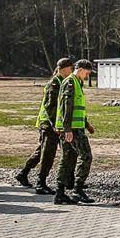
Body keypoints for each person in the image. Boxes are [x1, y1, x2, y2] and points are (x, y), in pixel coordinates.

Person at [16, 58, 73, 193]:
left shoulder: (62, 81)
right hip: (49, 124)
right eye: (70, 68)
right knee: (47, 153)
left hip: (55, 124)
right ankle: (40, 183)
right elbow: (50, 106)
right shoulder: (54, 83)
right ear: (64, 68)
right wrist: (54, 124)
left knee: (43, 152)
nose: (71, 71)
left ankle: (23, 174)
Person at [53, 60, 97, 205]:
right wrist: (67, 129)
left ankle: (60, 193)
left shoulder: (76, 82)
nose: (87, 76)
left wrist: (87, 124)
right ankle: (77, 190)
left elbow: (77, 107)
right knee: (86, 156)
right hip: (72, 129)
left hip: (73, 127)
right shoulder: (70, 82)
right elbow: (67, 106)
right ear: (80, 69)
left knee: (67, 159)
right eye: (87, 73)